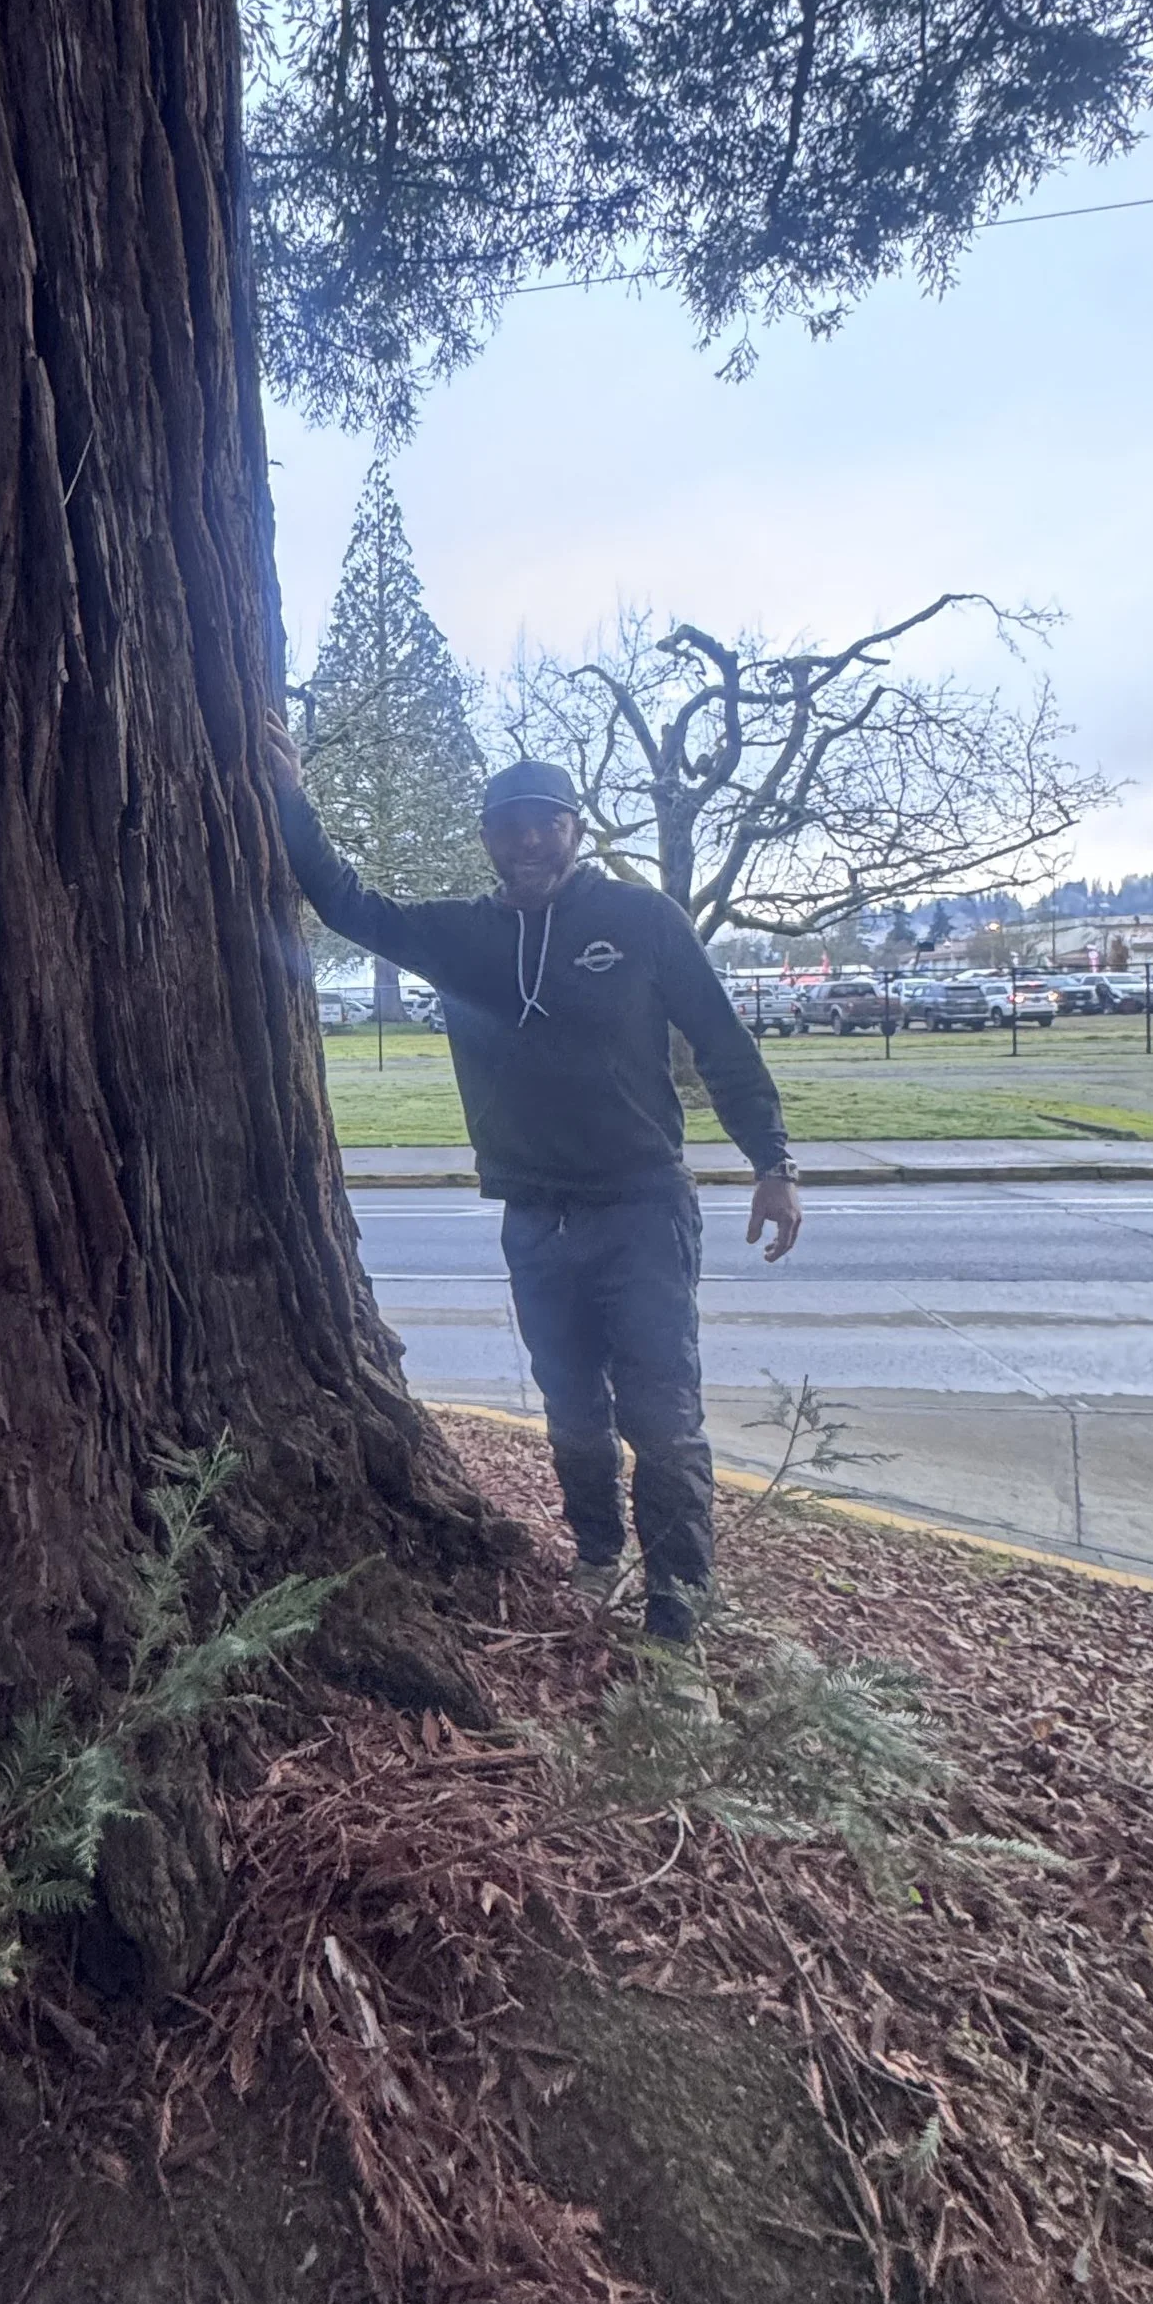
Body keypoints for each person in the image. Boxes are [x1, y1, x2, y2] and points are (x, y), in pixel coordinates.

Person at [266, 722, 803, 1707]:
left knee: (664, 1420)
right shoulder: (464, 936)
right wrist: (290, 798)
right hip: (534, 1219)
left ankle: (678, 1623)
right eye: (507, 827)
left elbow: (720, 1043)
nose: (527, 842)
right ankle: (597, 1560)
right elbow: (345, 902)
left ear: (575, 829)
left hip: (641, 1211)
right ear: (488, 839)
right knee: (571, 1413)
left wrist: (771, 1160)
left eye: (544, 824)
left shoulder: (642, 922)